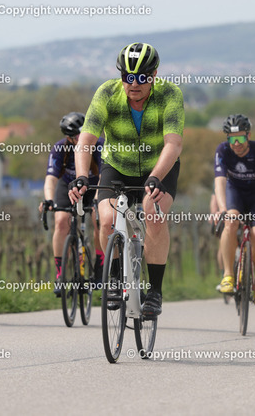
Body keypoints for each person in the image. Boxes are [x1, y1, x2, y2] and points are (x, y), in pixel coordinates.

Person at [68, 42, 184, 318]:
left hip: (159, 167)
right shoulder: (107, 93)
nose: (134, 84)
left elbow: (173, 144)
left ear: (153, 75)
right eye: (128, 77)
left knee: (153, 214)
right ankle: (115, 278)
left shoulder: (170, 94)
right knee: (107, 218)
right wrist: (82, 176)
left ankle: (154, 291)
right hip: (117, 165)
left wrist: (155, 177)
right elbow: (86, 141)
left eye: (142, 77)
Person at [215, 114, 255, 308]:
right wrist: (222, 208)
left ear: (249, 135)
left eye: (241, 138)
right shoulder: (222, 150)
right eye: (232, 139)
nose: (236, 144)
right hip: (235, 193)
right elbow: (220, 181)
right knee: (230, 222)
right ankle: (228, 275)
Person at [39, 112, 104, 296]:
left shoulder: (99, 145)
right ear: (68, 138)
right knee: (61, 222)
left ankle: (100, 268)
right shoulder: (60, 148)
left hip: (94, 186)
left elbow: (104, 176)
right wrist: (49, 199)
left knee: (99, 219)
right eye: (77, 136)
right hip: (69, 186)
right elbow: (51, 178)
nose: (82, 138)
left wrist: (97, 199)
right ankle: (60, 274)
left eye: (84, 133)